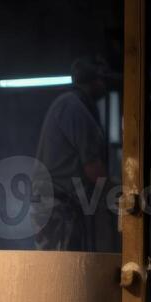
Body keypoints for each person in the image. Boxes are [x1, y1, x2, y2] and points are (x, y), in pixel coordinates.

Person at [32, 57, 111, 251]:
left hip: (55, 204)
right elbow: (94, 170)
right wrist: (124, 191)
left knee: (57, 268)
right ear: (94, 81)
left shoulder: (69, 104)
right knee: (62, 270)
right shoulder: (75, 108)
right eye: (103, 79)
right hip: (59, 206)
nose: (106, 85)